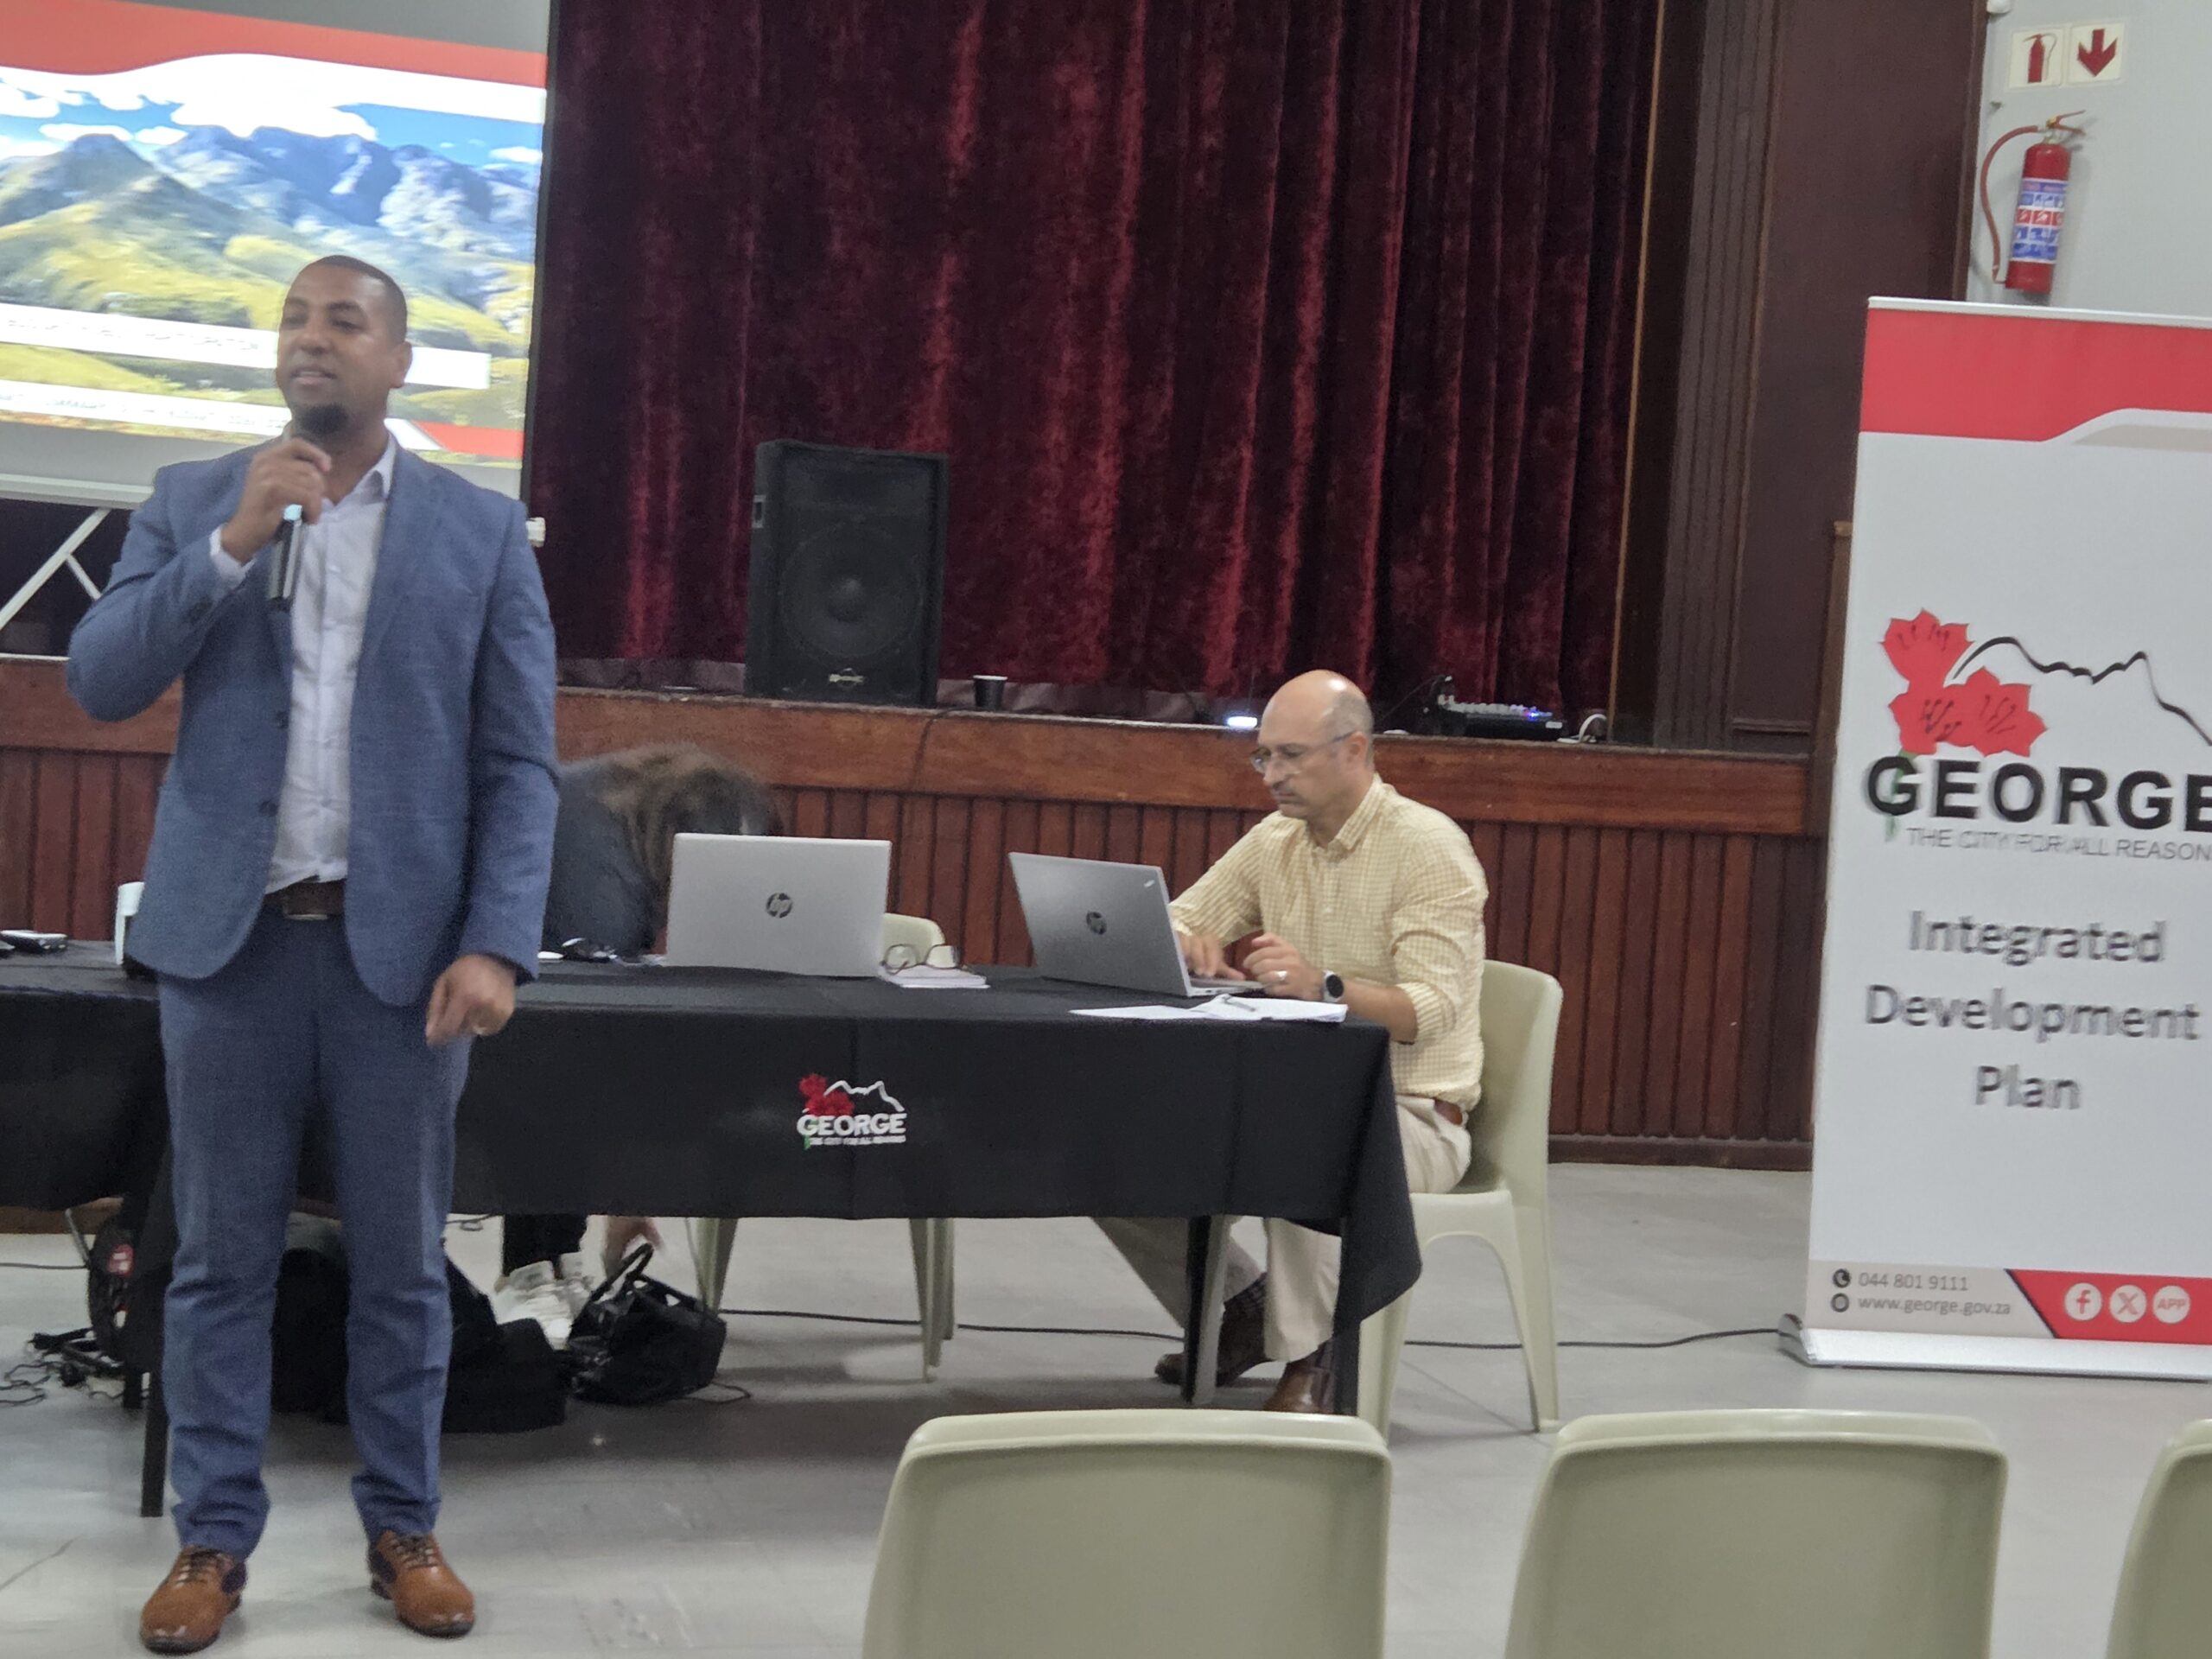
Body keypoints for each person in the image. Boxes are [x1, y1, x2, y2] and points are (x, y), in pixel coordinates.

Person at [67, 256, 557, 1651]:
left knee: (400, 1266)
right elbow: (101, 679)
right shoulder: (198, 498)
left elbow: (519, 764)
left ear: (399, 361)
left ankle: (404, 1528)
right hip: (232, 953)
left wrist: (498, 943)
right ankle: (212, 1543)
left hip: (403, 963)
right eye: (293, 317)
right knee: (219, 1263)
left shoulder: (477, 532)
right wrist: (232, 543)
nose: (310, 339)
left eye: (344, 321)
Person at [1096, 671, 1485, 1412]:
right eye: (1263, 756)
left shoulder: (1429, 849)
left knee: (1304, 1143)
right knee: (1120, 1146)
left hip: (1411, 1116)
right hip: (1287, 1093)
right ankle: (1243, 1311)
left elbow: (1429, 1011)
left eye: (1291, 756)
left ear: (1355, 750)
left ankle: (1318, 1361)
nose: (1272, 775)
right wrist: (1186, 941)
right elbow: (1180, 916)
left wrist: (1323, 986)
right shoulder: (1276, 839)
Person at [493, 744, 782, 1342]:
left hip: (533, 1004)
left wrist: (624, 1192)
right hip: (507, 1019)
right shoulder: (599, 868)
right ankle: (530, 1271)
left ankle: (554, 1261)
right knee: (561, 1061)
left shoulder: (624, 811)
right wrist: (627, 1191)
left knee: (570, 1061)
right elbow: (592, 1041)